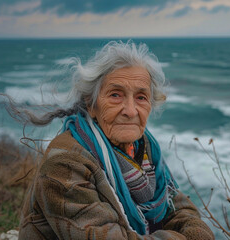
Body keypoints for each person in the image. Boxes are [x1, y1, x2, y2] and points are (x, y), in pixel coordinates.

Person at [17, 41, 214, 239]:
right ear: (92, 104)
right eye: (115, 95)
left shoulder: (144, 149)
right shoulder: (65, 163)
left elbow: (180, 209)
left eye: (141, 97)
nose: (130, 111)